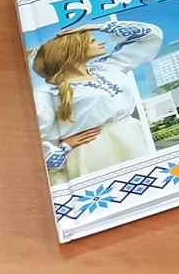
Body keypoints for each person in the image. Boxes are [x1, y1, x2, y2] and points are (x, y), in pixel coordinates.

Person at [30, 20, 162, 186]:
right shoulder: (47, 94)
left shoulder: (107, 67)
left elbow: (151, 36)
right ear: (75, 50)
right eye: (92, 40)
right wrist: (63, 148)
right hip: (91, 152)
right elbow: (31, 139)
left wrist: (97, 26)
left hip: (133, 137)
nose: (100, 42)